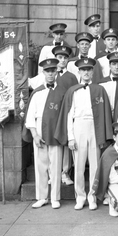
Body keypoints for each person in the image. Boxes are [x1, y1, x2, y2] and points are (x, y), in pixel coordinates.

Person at [54, 57, 113, 211]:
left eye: (89, 69)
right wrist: (71, 137)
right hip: (78, 125)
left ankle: (92, 196)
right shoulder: (73, 91)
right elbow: (68, 115)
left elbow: (104, 113)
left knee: (94, 164)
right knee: (79, 165)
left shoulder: (99, 90)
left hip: (95, 126)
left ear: (93, 72)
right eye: (83, 70)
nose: (86, 72)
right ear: (79, 72)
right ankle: (80, 197)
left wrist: (103, 134)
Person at [22, 58, 67, 209]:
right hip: (40, 129)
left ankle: (55, 197)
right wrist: (34, 134)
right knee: (40, 166)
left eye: (53, 71)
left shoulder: (62, 92)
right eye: (47, 71)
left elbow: (65, 114)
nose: (50, 74)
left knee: (55, 166)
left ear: (56, 72)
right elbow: (30, 116)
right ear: (43, 72)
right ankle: (42, 197)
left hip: (56, 130)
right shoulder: (37, 92)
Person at [52, 45, 79, 186]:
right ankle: (53, 173)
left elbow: (76, 95)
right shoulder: (50, 74)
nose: (62, 60)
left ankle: (65, 172)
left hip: (67, 112)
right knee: (53, 143)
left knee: (66, 142)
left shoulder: (71, 77)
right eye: (59, 57)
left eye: (65, 58)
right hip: (52, 113)